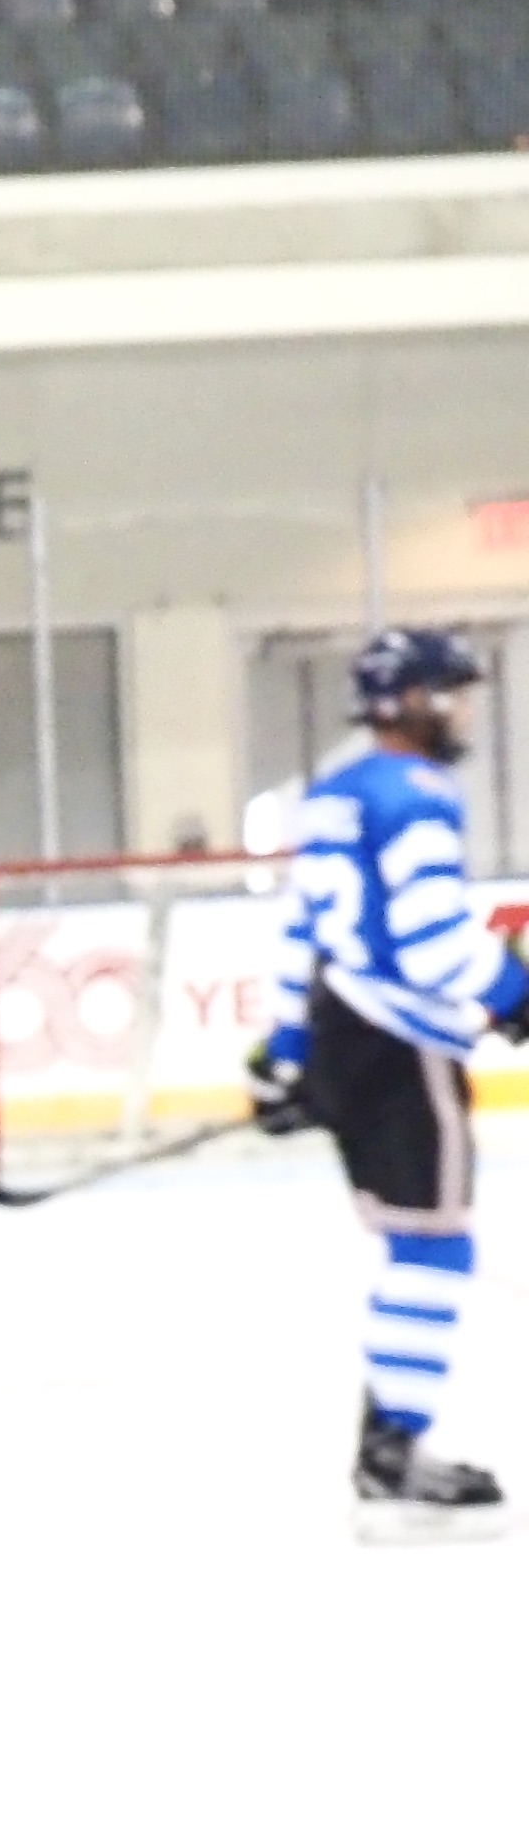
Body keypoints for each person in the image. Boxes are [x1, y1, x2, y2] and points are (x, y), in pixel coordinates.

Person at [247, 625, 529, 1525]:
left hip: (344, 1031)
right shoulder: (418, 795)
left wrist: (286, 1053)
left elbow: (302, 933)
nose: (464, 711)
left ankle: (389, 1441)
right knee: (435, 1247)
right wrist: (514, 991)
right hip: (402, 1048)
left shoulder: (336, 793)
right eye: (454, 694)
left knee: (415, 1243)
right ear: (413, 700)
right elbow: (431, 941)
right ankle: (393, 1451)